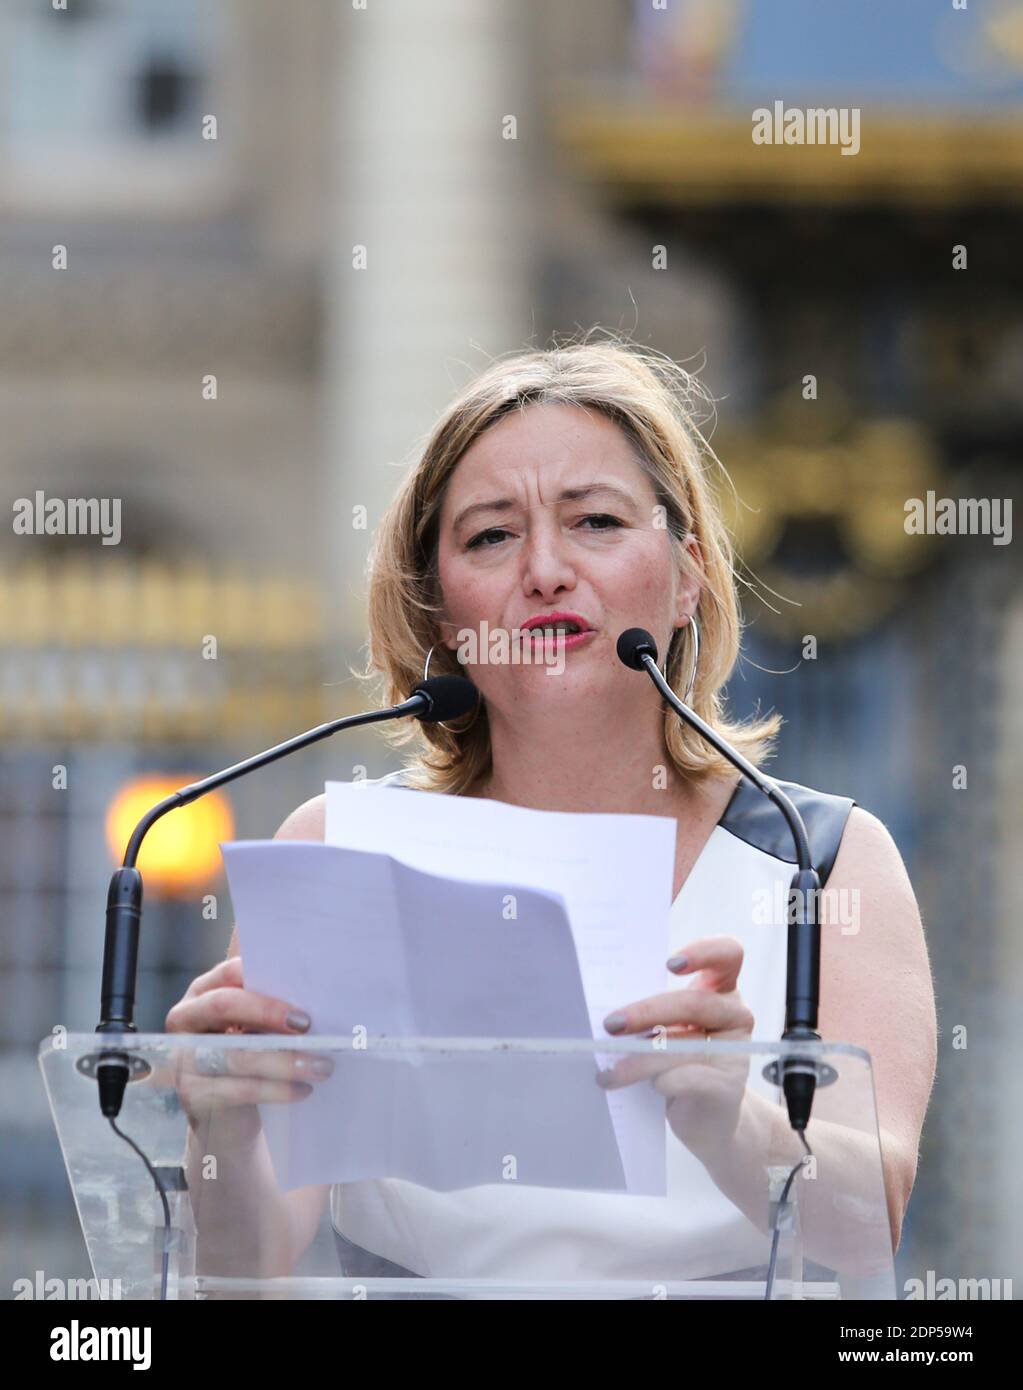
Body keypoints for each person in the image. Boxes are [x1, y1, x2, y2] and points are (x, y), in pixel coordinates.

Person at [167, 335, 937, 1290]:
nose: (544, 569)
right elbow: (241, 1268)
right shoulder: (339, 853)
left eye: (596, 522)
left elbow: (875, 1216)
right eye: (490, 535)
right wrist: (220, 1127)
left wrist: (726, 1119)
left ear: (687, 573)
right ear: (444, 612)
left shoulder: (823, 859)